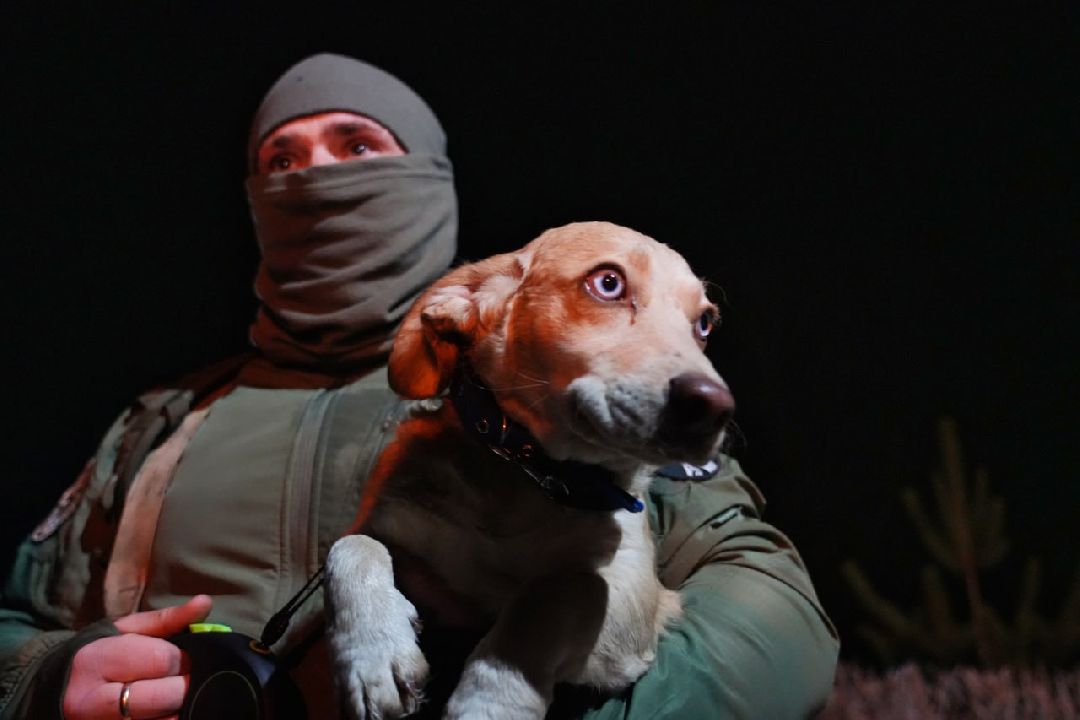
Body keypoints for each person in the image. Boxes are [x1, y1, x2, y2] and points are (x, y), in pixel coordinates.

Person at [0, 53, 838, 719]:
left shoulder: (558, 398)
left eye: (356, 146)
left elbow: (780, 620)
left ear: (425, 178)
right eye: (281, 158)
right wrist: (42, 680)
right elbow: (18, 625)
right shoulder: (160, 422)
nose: (313, 178)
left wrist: (548, 699)